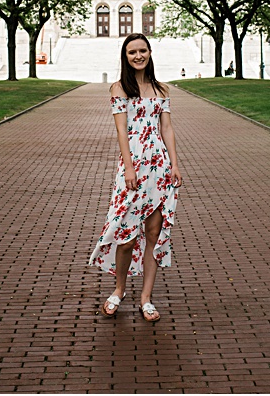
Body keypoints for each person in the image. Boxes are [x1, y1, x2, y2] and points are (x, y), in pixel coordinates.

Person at [90, 32, 183, 323]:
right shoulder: (119, 89)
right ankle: (119, 290)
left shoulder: (162, 90)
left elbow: (166, 129)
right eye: (132, 52)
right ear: (125, 57)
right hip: (132, 169)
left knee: (154, 234)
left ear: (150, 53)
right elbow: (121, 131)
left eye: (143, 50)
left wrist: (175, 165)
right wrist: (128, 168)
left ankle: (146, 298)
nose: (138, 56)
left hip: (159, 169)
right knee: (126, 237)